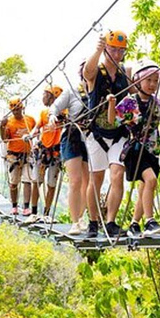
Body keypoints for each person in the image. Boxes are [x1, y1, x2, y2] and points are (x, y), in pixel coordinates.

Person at [108, 63, 160, 236]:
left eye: (155, 81)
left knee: (145, 187)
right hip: (135, 150)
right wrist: (111, 103)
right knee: (151, 180)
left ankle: (134, 224)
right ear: (138, 81)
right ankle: (150, 221)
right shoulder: (130, 102)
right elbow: (113, 120)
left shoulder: (154, 101)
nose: (152, 84)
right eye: (148, 80)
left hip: (152, 150)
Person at [82, 30, 133, 238]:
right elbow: (87, 72)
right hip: (98, 133)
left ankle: (110, 221)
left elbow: (133, 94)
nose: (117, 54)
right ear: (106, 50)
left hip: (119, 133)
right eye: (113, 49)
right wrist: (98, 50)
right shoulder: (97, 72)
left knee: (117, 174)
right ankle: (93, 222)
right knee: (96, 179)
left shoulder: (124, 75)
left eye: (121, 50)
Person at [50, 64, 90, 235]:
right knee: (75, 181)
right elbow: (55, 107)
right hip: (73, 137)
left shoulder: (99, 92)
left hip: (91, 139)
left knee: (88, 182)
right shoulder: (72, 91)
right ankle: (75, 221)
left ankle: (81, 217)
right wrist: (52, 116)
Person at [27, 85, 63, 224]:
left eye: (45, 94)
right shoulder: (43, 113)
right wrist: (30, 135)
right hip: (43, 150)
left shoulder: (63, 115)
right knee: (37, 181)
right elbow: (37, 128)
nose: (43, 97)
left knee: (51, 183)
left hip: (56, 151)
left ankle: (47, 213)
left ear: (53, 96)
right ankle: (34, 212)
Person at [0, 97, 36, 216]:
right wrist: (1, 127)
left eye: (18, 109)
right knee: (14, 182)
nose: (16, 112)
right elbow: (5, 139)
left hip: (27, 154)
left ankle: (26, 207)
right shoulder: (9, 122)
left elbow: (35, 132)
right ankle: (14, 206)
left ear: (22, 109)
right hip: (14, 155)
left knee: (27, 180)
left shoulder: (30, 120)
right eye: (14, 110)